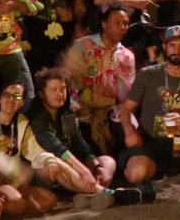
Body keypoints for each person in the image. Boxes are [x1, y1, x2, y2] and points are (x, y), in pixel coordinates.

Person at [119, 25, 180, 202]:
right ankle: (146, 179)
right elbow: (126, 108)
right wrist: (129, 131)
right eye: (172, 45)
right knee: (135, 173)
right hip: (151, 140)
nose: (176, 50)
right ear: (164, 47)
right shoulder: (148, 74)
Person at [0, 81, 69, 218]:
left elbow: (33, 149)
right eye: (6, 95)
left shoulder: (21, 121)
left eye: (17, 96)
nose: (11, 100)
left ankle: (4, 205)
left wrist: (49, 159)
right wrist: (17, 169)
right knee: (17, 202)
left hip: (12, 182)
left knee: (49, 200)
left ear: (22, 102)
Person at [28, 67, 118, 198]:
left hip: (73, 173)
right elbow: (57, 148)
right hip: (48, 170)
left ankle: (94, 191)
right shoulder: (37, 117)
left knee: (108, 161)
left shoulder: (66, 114)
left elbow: (80, 144)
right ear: (42, 93)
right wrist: (84, 171)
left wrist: (96, 167)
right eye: (53, 90)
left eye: (63, 89)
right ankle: (108, 193)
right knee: (57, 163)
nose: (60, 94)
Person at [62, 6, 139, 157]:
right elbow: (69, 78)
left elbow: (127, 92)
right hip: (81, 110)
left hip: (111, 112)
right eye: (117, 23)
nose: (122, 27)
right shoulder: (82, 45)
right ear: (104, 24)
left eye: (125, 24)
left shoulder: (126, 56)